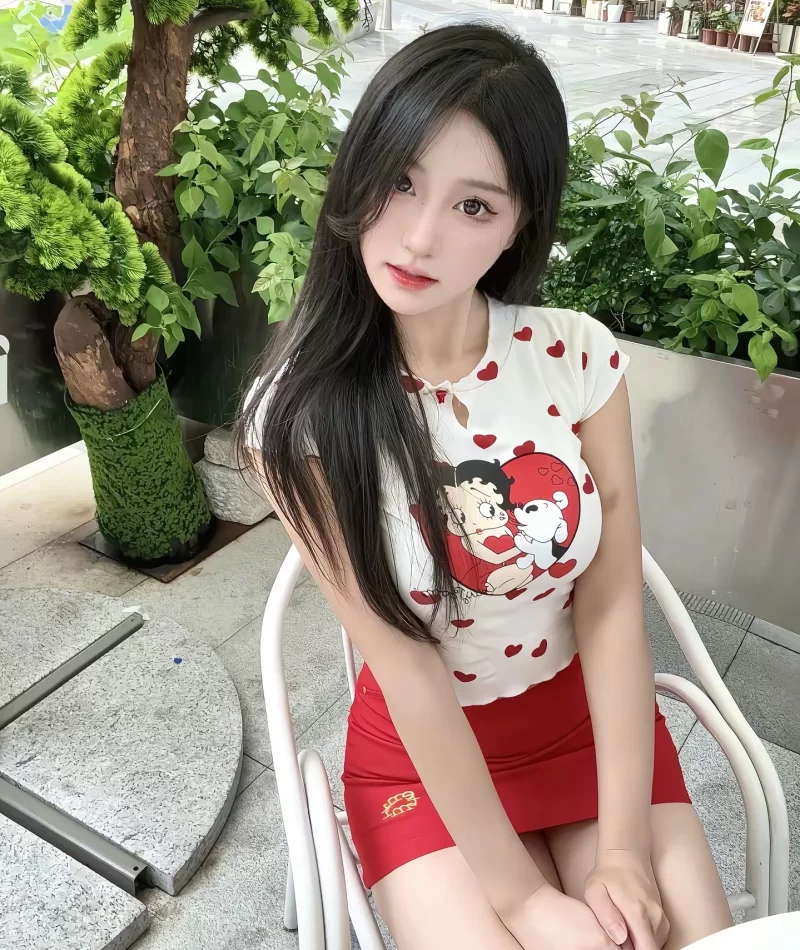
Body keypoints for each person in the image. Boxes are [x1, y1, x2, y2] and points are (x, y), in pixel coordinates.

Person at [239, 23, 733, 950]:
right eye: (400, 181)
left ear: (519, 225)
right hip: (423, 763)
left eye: (475, 205)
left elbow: (611, 605)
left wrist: (623, 847)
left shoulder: (575, 357)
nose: (420, 236)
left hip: (586, 729)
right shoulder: (297, 418)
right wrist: (524, 902)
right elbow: (405, 666)